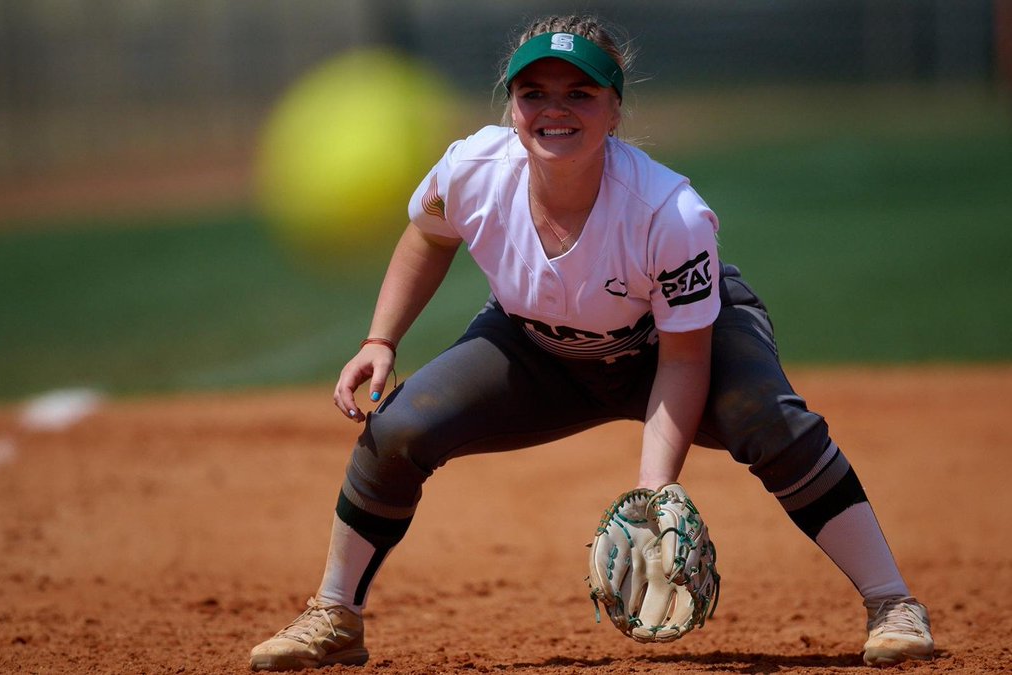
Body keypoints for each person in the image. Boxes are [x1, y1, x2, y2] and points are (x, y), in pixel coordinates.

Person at [249, 14, 935, 671]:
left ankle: (893, 604)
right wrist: (381, 338)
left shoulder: (669, 213)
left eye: (580, 92)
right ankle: (335, 615)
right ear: (512, 106)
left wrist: (653, 490)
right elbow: (428, 237)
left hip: (668, 347)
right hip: (534, 350)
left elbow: (686, 355)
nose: (555, 108)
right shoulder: (473, 171)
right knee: (398, 429)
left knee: (770, 419)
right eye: (534, 92)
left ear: (614, 110)